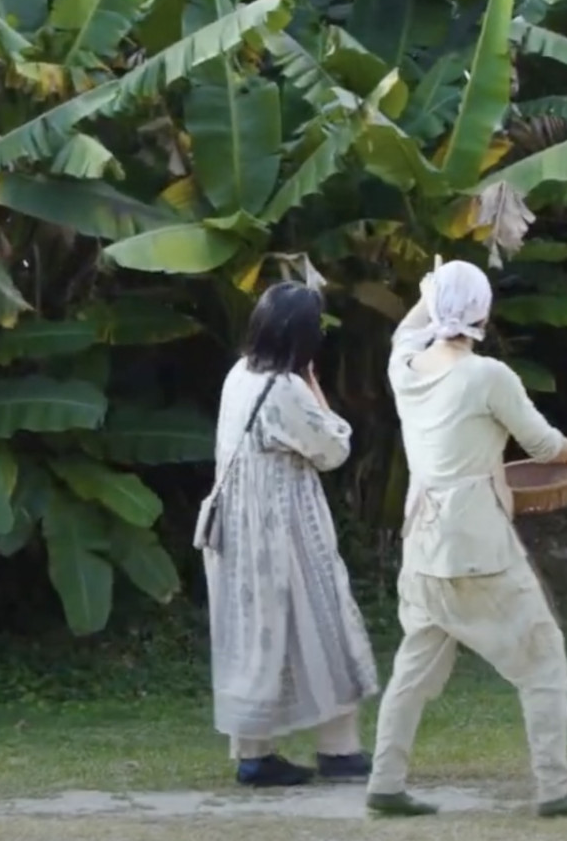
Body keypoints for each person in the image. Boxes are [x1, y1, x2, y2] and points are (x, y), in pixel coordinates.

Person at [365, 260, 567, 818]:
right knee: (544, 662)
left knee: (414, 667)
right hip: (477, 547)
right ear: (483, 311)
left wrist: (428, 293)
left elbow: (408, 328)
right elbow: (544, 446)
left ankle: (385, 780)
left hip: (424, 545)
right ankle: (555, 790)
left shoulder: (405, 366)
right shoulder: (487, 376)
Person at [199, 281, 379, 788]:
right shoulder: (285, 390)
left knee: (255, 638)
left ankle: (254, 754)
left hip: (238, 531)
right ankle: (339, 750)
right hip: (286, 529)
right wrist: (317, 388)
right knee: (327, 627)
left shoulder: (240, 375)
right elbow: (334, 449)